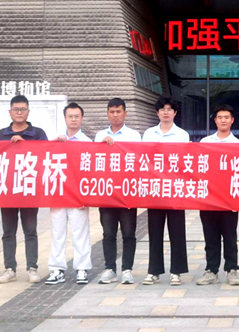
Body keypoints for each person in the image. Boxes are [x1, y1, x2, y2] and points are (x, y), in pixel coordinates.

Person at [0, 94, 49, 284]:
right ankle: (10, 269)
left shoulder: (38, 134)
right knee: (8, 232)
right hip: (8, 190)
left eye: (23, 109)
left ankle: (32, 268)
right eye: (16, 109)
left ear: (28, 111)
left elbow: (46, 156)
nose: (19, 112)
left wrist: (26, 146)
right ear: (10, 112)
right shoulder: (1, 135)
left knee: (30, 230)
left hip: (29, 189)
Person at [142, 96, 191, 286]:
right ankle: (153, 271)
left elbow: (185, 161)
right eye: (162, 109)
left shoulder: (182, 135)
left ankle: (176, 271)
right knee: (155, 231)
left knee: (177, 231)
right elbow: (143, 159)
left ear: (175, 113)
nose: (166, 112)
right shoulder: (148, 134)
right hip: (154, 189)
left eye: (170, 109)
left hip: (175, 189)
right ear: (157, 112)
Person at [94, 97, 142, 285]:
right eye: (112, 112)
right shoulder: (99, 136)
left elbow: (138, 161)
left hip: (127, 193)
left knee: (129, 233)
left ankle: (127, 269)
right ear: (107, 113)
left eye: (118, 111)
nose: (115, 115)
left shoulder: (134, 136)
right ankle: (110, 269)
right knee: (108, 233)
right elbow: (92, 161)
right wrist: (101, 146)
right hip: (106, 193)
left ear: (125, 113)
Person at [45, 103, 92, 286]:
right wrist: (53, 144)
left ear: (82, 118)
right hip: (58, 194)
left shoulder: (87, 142)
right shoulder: (56, 140)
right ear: (65, 118)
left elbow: (90, 172)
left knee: (81, 233)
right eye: (70, 116)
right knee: (57, 233)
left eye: (76, 116)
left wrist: (87, 197)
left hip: (78, 196)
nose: (73, 119)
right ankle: (57, 269)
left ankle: (82, 269)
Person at [196, 104, 239, 287]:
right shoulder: (205, 142)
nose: (223, 120)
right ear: (215, 120)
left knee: (230, 236)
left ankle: (232, 270)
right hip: (208, 199)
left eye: (226, 117)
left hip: (229, 200)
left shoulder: (238, 145)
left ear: (232, 120)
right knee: (210, 237)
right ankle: (211, 271)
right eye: (220, 117)